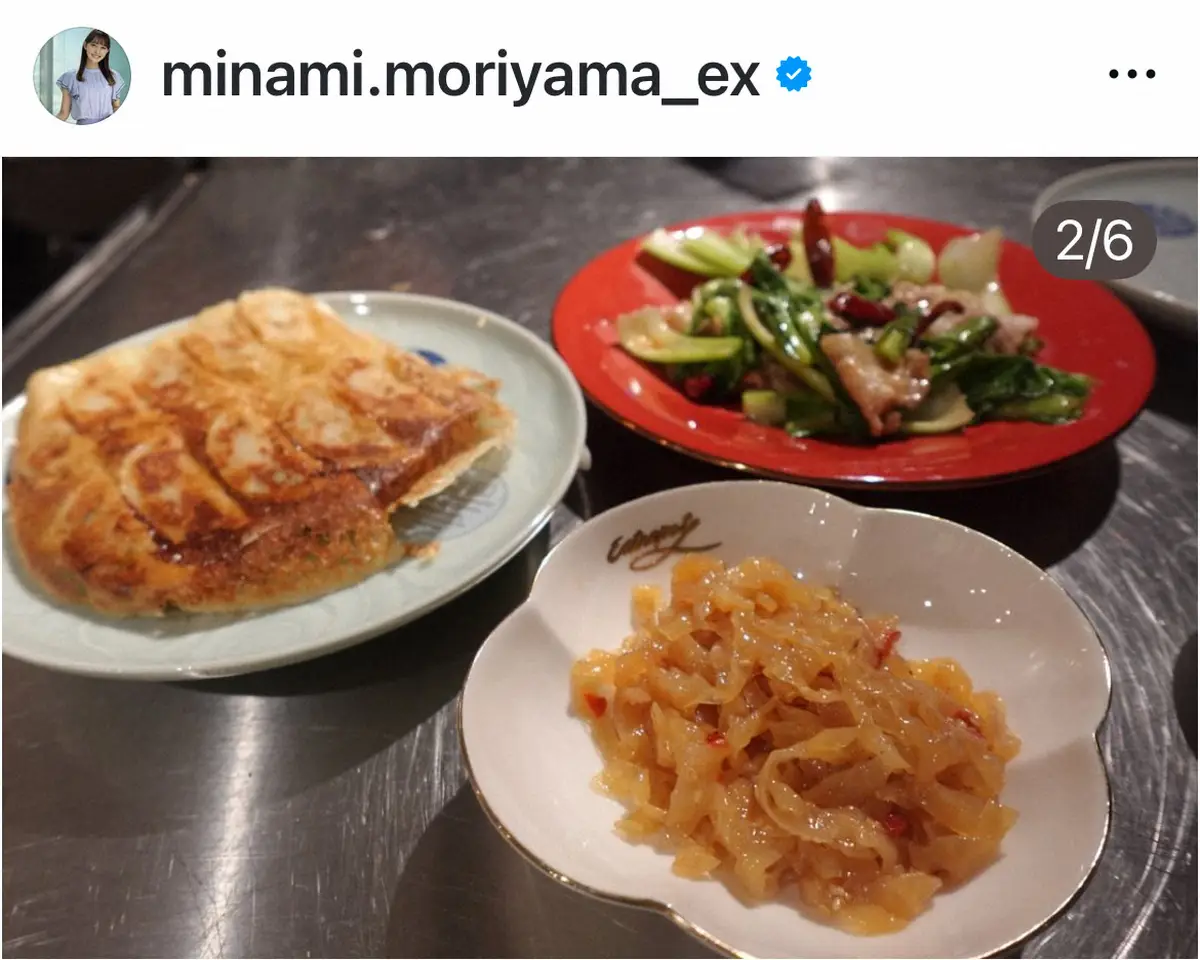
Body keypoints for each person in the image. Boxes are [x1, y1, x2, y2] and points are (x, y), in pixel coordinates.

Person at [55, 30, 124, 125]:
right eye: (93, 45)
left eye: (103, 47)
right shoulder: (70, 78)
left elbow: (116, 107)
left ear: (107, 51)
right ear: (85, 45)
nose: (97, 51)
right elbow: (63, 113)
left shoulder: (113, 76)